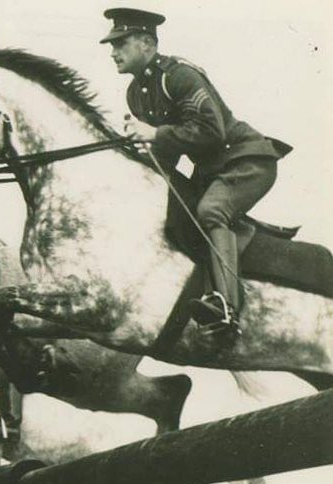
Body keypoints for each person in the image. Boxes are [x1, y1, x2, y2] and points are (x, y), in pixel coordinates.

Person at [101, 8, 290, 344]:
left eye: (120, 43)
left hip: (246, 161)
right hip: (211, 172)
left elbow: (211, 132)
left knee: (210, 211)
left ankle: (225, 309)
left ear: (146, 43)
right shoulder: (136, 92)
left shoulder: (178, 76)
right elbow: (166, 159)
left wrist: (154, 135)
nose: (113, 51)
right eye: (112, 45)